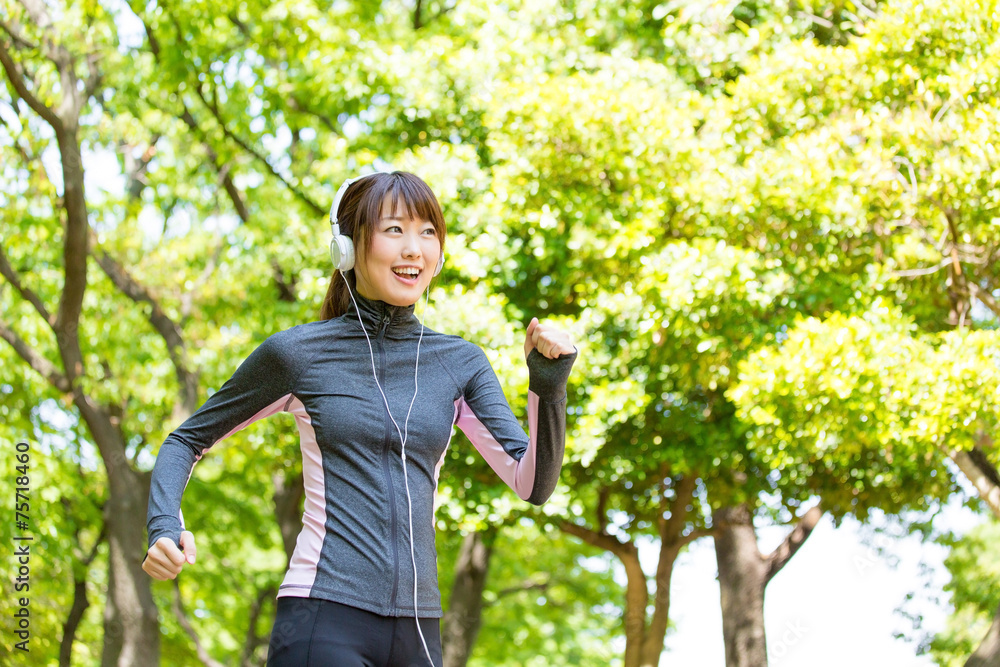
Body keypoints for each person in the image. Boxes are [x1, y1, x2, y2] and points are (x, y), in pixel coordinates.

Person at [141, 171, 578, 666]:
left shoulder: (461, 363)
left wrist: (548, 383)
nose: (414, 248)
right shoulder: (299, 354)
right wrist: (162, 525)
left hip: (419, 631)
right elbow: (186, 440)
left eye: (427, 232)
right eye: (394, 230)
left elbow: (532, 484)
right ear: (347, 248)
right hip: (322, 619)